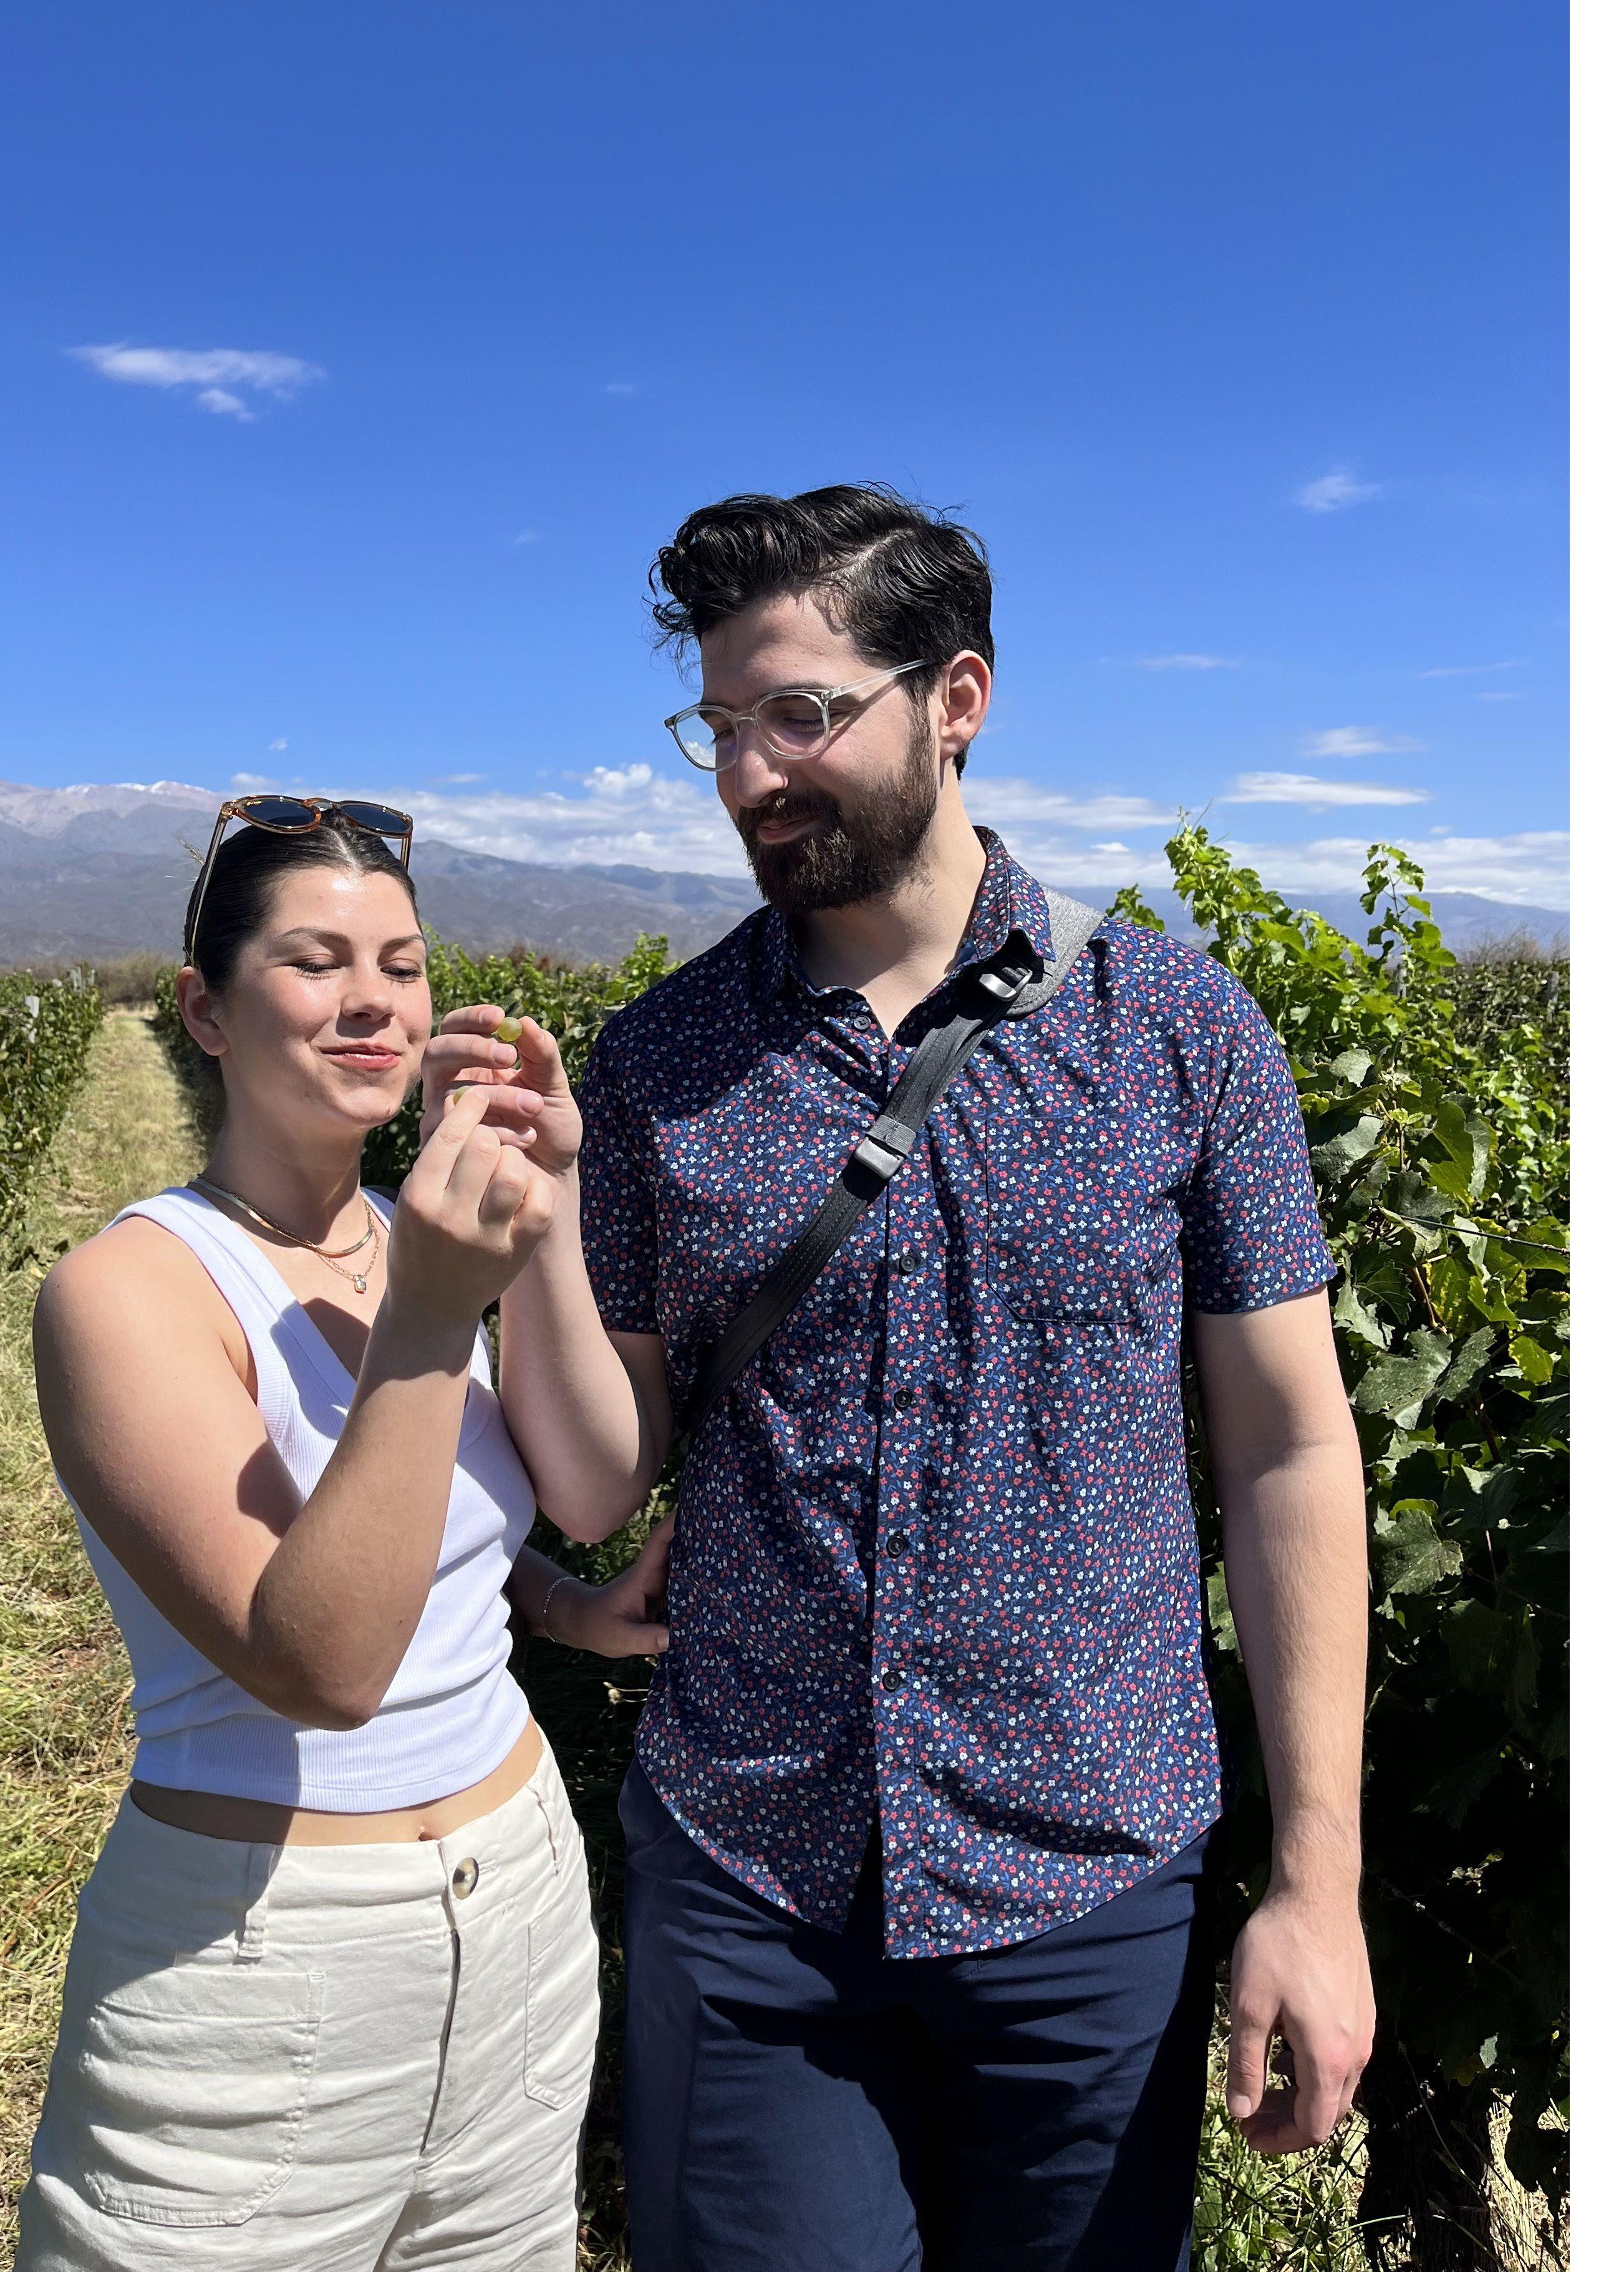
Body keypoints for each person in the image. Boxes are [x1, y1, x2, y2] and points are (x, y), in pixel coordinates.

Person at [430, 487, 1377, 2272]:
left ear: (958, 698)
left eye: (798, 714)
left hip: (1090, 1875)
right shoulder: (662, 1059)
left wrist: (1316, 1882)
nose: (746, 776)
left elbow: (1290, 1455)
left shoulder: (1181, 1034)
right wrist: (541, 1222)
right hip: (753, 1871)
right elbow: (595, 1480)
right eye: (719, 726)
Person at [15, 795, 670, 2272]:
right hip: (257, 1973)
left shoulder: (405, 1232)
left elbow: (585, 1491)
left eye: (404, 961)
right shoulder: (132, 1293)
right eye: (316, 960)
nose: (374, 997)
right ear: (206, 1008)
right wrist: (435, 1318)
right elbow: (320, 1661)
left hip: (519, 1915)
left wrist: (546, 1216)